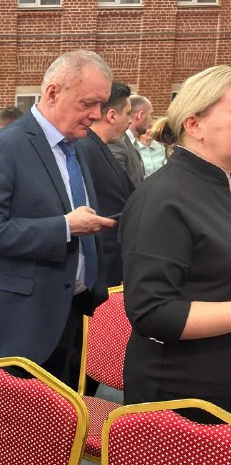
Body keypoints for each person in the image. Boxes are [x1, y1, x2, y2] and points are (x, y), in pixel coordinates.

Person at [0, 49, 116, 465]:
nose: (96, 114)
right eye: (88, 103)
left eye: (101, 104)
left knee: (45, 449)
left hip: (68, 317)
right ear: (52, 92)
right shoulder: (4, 146)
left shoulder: (79, 148)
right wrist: (64, 227)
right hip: (12, 326)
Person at [121, 65, 231, 416]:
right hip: (184, 397)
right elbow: (153, 312)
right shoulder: (163, 198)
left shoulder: (219, 185)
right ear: (194, 126)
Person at [75, 82, 134, 287]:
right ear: (112, 115)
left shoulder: (98, 146)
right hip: (99, 265)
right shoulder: (84, 148)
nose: (130, 120)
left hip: (110, 263)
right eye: (128, 113)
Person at [108, 95, 148, 186]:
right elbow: (115, 182)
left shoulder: (130, 141)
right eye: (128, 113)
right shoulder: (117, 141)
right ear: (141, 115)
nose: (130, 120)